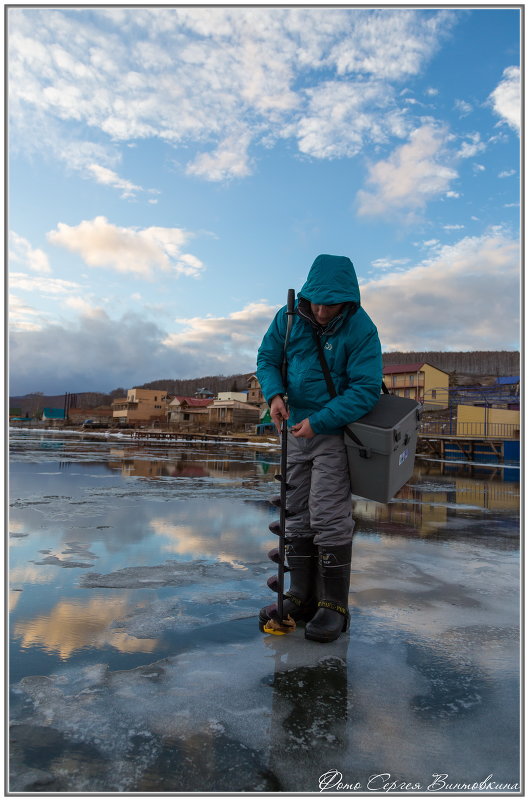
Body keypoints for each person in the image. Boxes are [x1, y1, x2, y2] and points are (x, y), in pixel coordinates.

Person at [256, 254, 382, 642]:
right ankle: (300, 595)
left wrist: (320, 422)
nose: (324, 311)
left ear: (349, 300)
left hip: (331, 432)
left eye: (333, 304)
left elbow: (365, 388)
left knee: (327, 512)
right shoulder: (288, 317)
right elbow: (268, 359)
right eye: (318, 302)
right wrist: (274, 394)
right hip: (292, 429)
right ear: (307, 294)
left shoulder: (361, 329)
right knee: (295, 511)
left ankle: (333, 607)